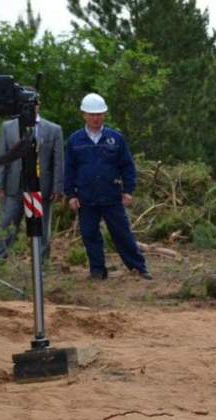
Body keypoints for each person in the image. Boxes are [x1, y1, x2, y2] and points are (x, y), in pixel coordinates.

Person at [64, 92, 150, 280]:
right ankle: (97, 270)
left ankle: (138, 267)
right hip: (86, 197)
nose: (96, 118)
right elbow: (69, 169)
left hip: (111, 195)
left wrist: (128, 190)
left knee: (122, 233)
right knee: (90, 235)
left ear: (104, 115)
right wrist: (71, 194)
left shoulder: (115, 138)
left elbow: (127, 165)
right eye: (92, 114)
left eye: (99, 114)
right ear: (84, 115)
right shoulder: (75, 140)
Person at [0, 107, 64, 274]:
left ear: (38, 104)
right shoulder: (8, 127)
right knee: (6, 225)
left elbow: (58, 161)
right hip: (15, 185)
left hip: (39, 187)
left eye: (32, 103)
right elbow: (1, 155)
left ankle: (40, 267)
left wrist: (57, 187)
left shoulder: (53, 129)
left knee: (39, 228)